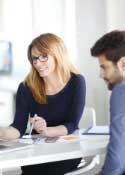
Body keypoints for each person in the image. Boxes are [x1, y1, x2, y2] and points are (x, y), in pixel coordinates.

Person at [0, 33, 86, 175]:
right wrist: (2, 132)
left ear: (57, 55)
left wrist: (47, 131)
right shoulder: (26, 87)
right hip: (36, 156)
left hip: (66, 153)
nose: (38, 63)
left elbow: (71, 124)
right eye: (34, 58)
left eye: (43, 57)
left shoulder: (76, 82)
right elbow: (18, 127)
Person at [91, 30, 125, 175]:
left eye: (104, 67)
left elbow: (117, 158)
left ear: (123, 64)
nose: (101, 74)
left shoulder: (121, 90)